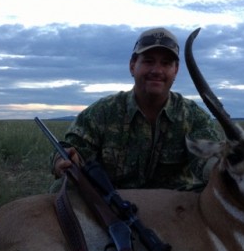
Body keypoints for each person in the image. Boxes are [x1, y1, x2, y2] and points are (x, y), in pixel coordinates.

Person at [51, 27, 221, 192]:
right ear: (133, 65)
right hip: (113, 206)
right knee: (63, 188)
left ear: (175, 70)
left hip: (175, 210)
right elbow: (70, 150)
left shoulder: (193, 117)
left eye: (166, 63)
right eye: (148, 61)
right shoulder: (103, 112)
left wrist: (222, 168)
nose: (157, 70)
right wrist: (63, 159)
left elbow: (208, 161)